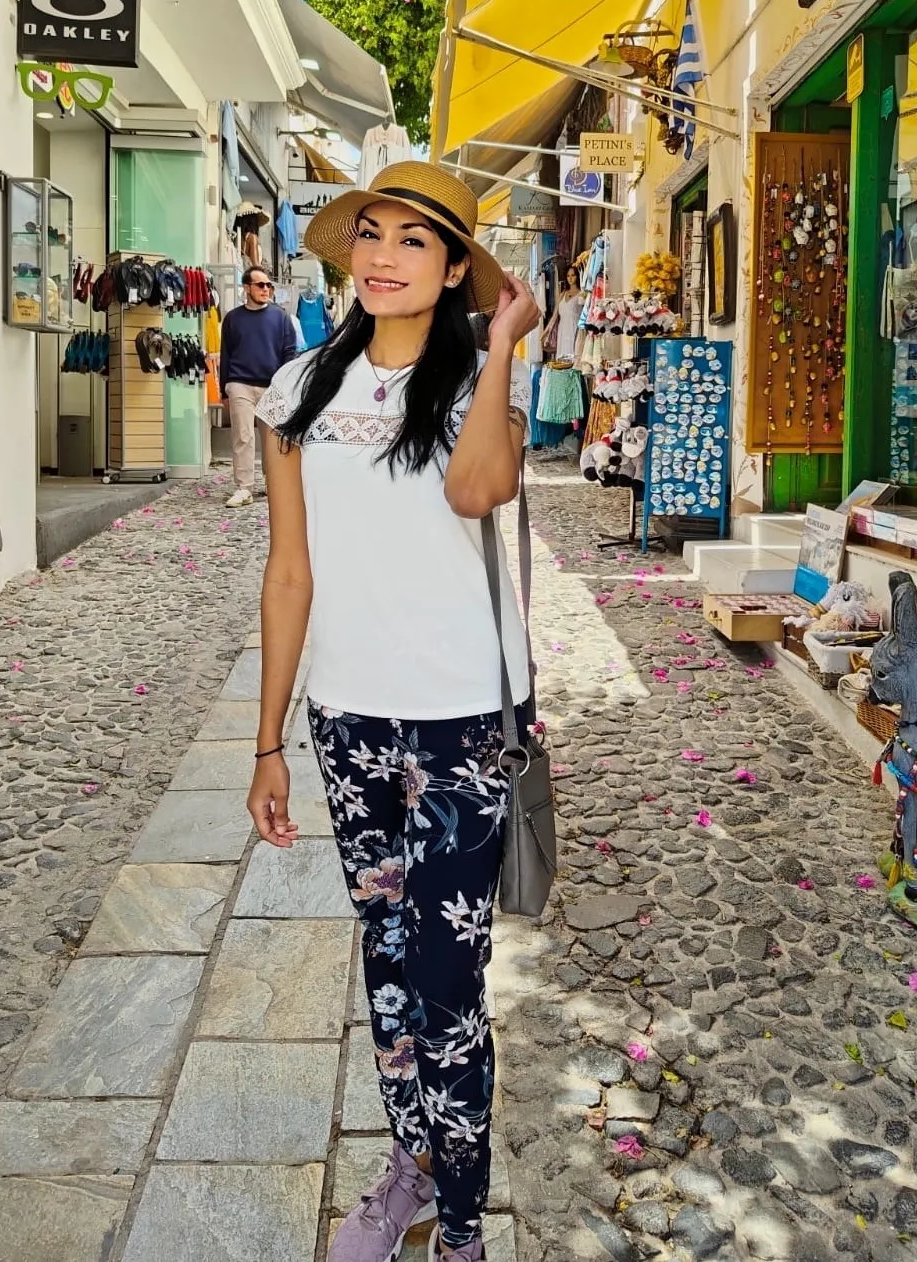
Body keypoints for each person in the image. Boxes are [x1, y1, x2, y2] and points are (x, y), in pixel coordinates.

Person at [247, 161, 540, 1262]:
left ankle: (463, 1226)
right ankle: (412, 1165)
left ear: (456, 267)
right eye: (368, 234)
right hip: (349, 720)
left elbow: (475, 492)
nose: (380, 255)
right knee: (386, 961)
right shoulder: (302, 389)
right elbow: (289, 573)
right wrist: (269, 739)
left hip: (464, 721)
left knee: (448, 988)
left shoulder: (480, 384)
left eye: (413, 241)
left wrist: (503, 341)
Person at [219, 266, 297, 508]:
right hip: (239, 382)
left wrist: (285, 386)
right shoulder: (232, 318)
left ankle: (271, 481)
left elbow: (289, 353)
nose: (266, 289)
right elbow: (226, 354)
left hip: (272, 386)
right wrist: (224, 388)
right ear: (246, 288)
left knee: (271, 439)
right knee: (243, 435)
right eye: (260, 285)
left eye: (268, 285)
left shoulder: (281, 317)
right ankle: (244, 488)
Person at [541, 264, 583, 361]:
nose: (570, 278)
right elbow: (554, 316)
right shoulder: (562, 294)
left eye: (573, 275)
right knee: (562, 358)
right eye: (568, 276)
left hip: (575, 330)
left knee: (574, 356)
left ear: (577, 276)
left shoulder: (581, 294)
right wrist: (545, 332)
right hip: (562, 331)